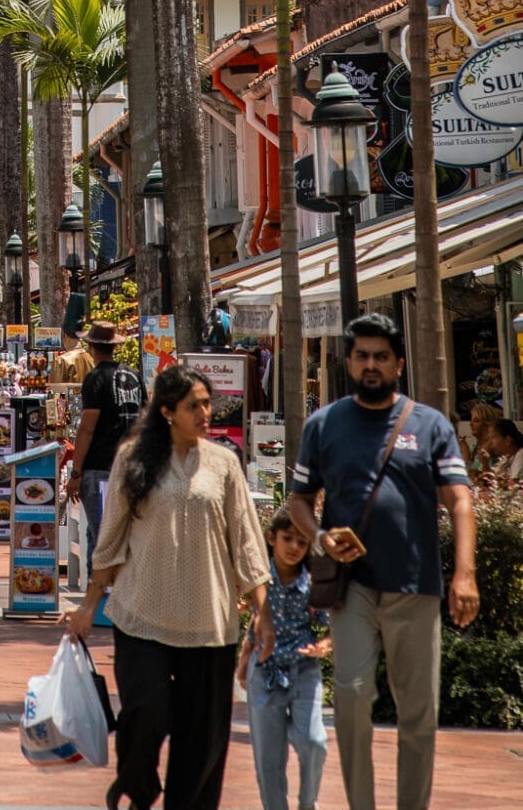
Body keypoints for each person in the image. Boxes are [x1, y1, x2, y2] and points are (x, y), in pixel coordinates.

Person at [289, 313, 477, 810]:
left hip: (416, 587)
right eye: (361, 356)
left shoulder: (429, 425)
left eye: (381, 356)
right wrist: (323, 538)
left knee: (419, 714)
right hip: (354, 590)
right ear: (349, 361)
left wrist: (464, 574)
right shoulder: (324, 425)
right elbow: (299, 502)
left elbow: (459, 501)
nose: (370, 365)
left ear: (397, 363)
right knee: (350, 698)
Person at [66, 364, 273, 810]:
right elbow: (111, 540)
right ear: (166, 411)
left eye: (206, 403)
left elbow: (246, 539)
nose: (205, 412)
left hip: (209, 621)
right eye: (193, 405)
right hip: (143, 615)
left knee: (202, 742)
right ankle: (136, 787)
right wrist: (87, 606)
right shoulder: (132, 458)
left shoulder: (223, 463)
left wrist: (262, 611)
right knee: (144, 717)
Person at [238, 505, 330, 810]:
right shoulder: (258, 580)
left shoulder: (313, 582)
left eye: (301, 542)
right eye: (287, 538)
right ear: (271, 538)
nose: (294, 547)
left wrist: (325, 645)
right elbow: (251, 619)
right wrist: (245, 655)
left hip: (304, 669)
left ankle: (308, 804)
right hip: (265, 672)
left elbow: (332, 625)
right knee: (269, 759)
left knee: (312, 740)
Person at [64, 319, 145, 567]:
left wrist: (76, 472)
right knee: (124, 533)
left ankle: (99, 597)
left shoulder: (95, 379)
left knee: (100, 536)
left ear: (91, 347)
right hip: (131, 467)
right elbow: (145, 420)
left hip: (100, 466)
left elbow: (88, 428)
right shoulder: (134, 376)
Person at [483, 414, 523, 483]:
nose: (490, 443)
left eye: (493, 437)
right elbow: (491, 484)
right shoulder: (506, 459)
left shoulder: (521, 456)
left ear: (507, 440)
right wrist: (485, 463)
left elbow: (513, 489)